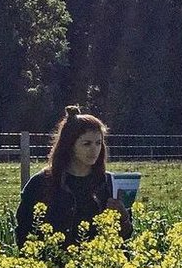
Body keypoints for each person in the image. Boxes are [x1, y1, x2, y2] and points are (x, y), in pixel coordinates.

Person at [15, 105, 133, 250]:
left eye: (98, 143)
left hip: (97, 267)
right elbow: (23, 232)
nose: (94, 150)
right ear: (69, 145)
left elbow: (125, 238)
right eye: (86, 144)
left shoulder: (110, 184)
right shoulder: (41, 183)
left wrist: (123, 217)